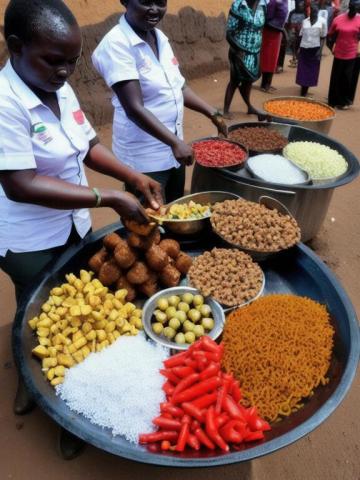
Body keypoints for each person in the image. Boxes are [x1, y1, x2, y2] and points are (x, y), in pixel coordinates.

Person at [0, 0, 163, 460]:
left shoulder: (58, 87)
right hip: (29, 237)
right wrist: (107, 197)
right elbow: (20, 184)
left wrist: (129, 176)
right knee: (40, 318)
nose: (66, 71)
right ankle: (40, 393)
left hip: (72, 223)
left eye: (72, 61)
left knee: (78, 316)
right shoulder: (5, 102)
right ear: (16, 46)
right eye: (55, 60)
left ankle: (77, 402)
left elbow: (88, 145)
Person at [92, 0, 226, 203]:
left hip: (174, 150)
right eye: (146, 2)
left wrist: (211, 112)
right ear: (125, 2)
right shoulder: (116, 44)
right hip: (145, 157)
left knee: (175, 210)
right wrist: (175, 143)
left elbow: (178, 87)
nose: (154, 9)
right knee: (149, 223)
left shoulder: (159, 37)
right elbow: (133, 108)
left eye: (161, 2)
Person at [223, 0, 268, 117]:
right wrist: (238, 50)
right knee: (235, 80)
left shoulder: (263, 6)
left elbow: (261, 29)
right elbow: (229, 33)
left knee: (249, 81)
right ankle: (226, 110)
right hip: (238, 51)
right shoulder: (238, 5)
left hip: (254, 52)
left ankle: (249, 107)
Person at [327, 0, 360, 108]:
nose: (354, 10)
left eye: (357, 8)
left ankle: (343, 102)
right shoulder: (338, 19)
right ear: (349, 7)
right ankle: (333, 100)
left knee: (347, 78)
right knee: (336, 77)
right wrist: (331, 47)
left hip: (352, 53)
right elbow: (330, 34)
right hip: (339, 52)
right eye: (353, 7)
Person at [296, 2, 328, 96]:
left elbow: (323, 37)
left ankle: (305, 89)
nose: (314, 12)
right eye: (312, 10)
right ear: (310, 10)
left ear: (318, 11)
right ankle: (303, 89)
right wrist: (298, 49)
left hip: (315, 49)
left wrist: (320, 51)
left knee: (311, 70)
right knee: (302, 69)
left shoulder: (322, 21)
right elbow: (301, 36)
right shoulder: (305, 21)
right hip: (304, 48)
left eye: (315, 10)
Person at [260, 0, 289, 92]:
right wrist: (282, 30)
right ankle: (265, 85)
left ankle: (268, 83)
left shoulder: (285, 1)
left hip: (277, 33)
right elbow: (267, 19)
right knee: (268, 59)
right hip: (270, 33)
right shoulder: (273, 2)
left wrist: (282, 30)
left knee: (273, 59)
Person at [286, 0, 306, 67]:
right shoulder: (292, 12)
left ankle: (297, 59)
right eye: (299, 3)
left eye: (302, 4)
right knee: (292, 42)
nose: (301, 5)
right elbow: (289, 22)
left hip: (301, 32)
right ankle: (294, 57)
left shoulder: (305, 13)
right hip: (293, 31)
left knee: (299, 44)